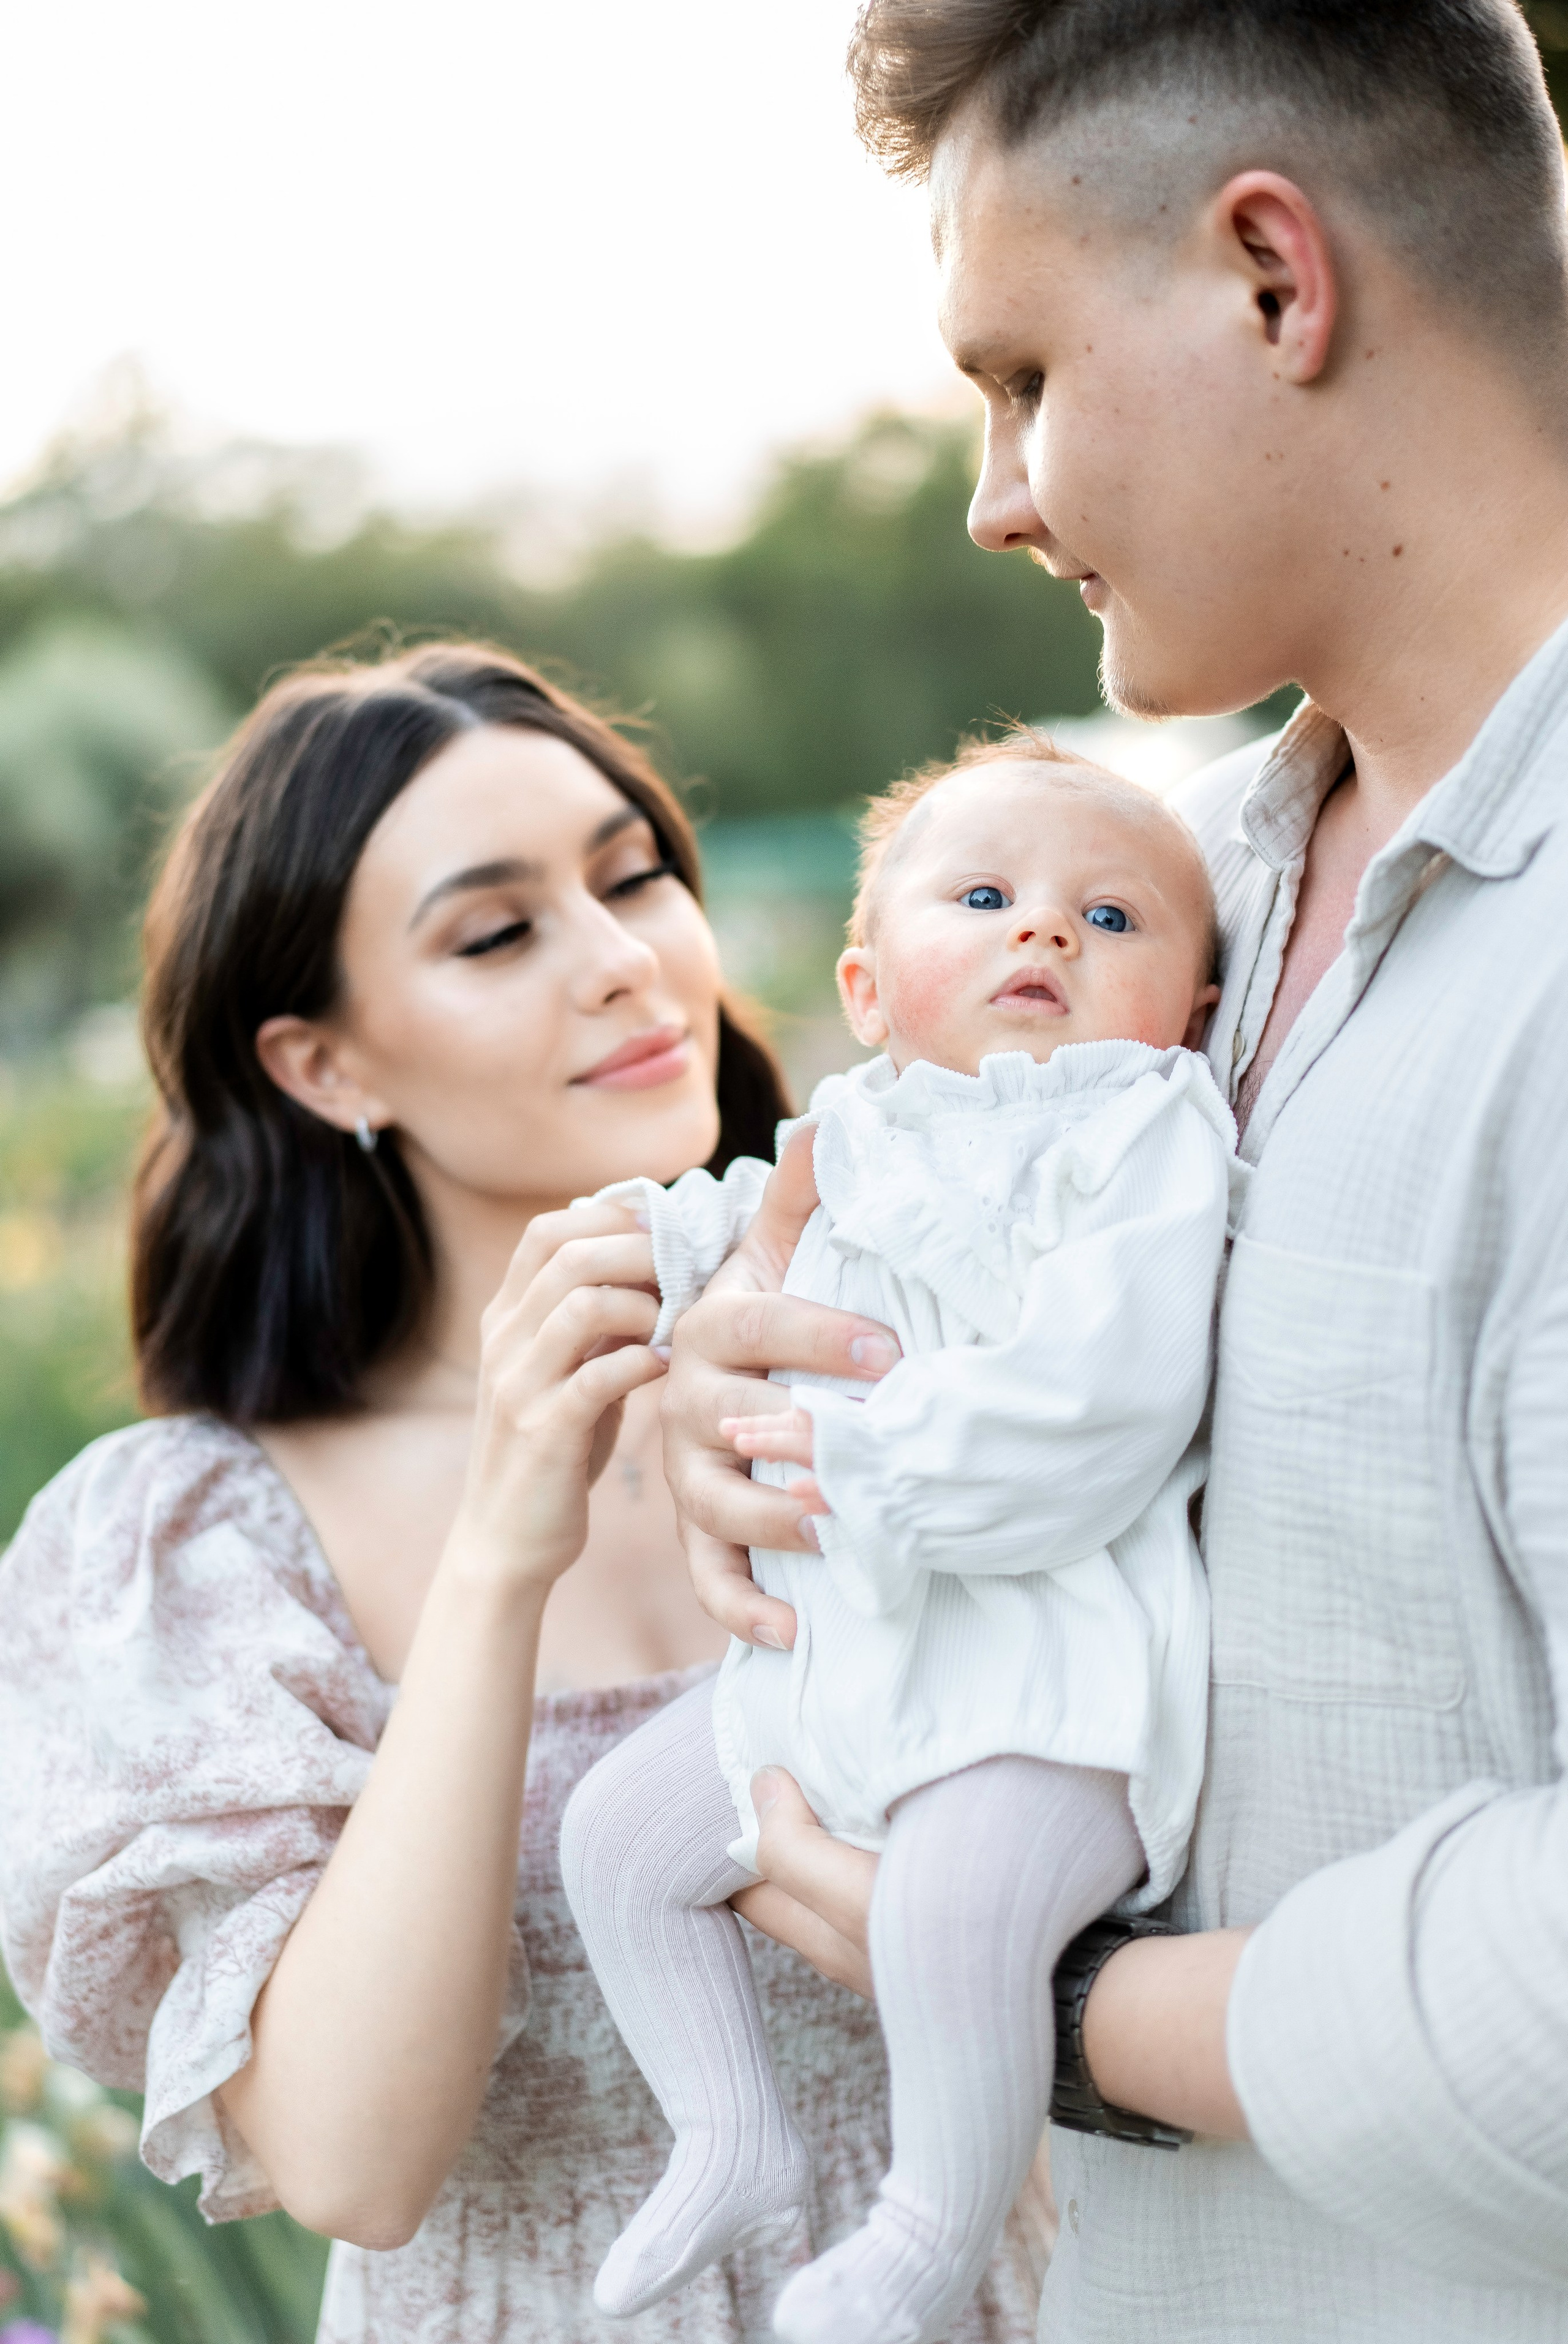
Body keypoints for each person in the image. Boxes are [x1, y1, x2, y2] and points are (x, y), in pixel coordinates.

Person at [657, 6, 1568, 2340]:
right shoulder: (1171, 899)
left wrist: (1060, 2008)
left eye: (1022, 376)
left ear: (1275, 278)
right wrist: (760, 1408)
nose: (993, 494)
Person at [0, 644, 1046, 2344]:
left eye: (633, 878)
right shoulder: (196, 1544)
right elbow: (355, 2162)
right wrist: (500, 1549)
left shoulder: (923, 1357)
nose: (623, 960)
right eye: (497, 933)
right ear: (325, 1067)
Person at [562, 735, 1237, 2344]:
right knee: (618, 1835)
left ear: (1194, 1008)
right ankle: (729, 2131)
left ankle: (929, 2234)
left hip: (1040, 1682)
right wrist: (646, 1249)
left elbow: (1106, 1396)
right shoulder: (854, 1133)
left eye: (1112, 919)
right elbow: (742, 1227)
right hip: (841, 1665)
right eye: (986, 898)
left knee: (947, 1910)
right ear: (866, 989)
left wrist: (874, 1457)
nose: (1046, 931)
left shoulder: (1142, 1130)